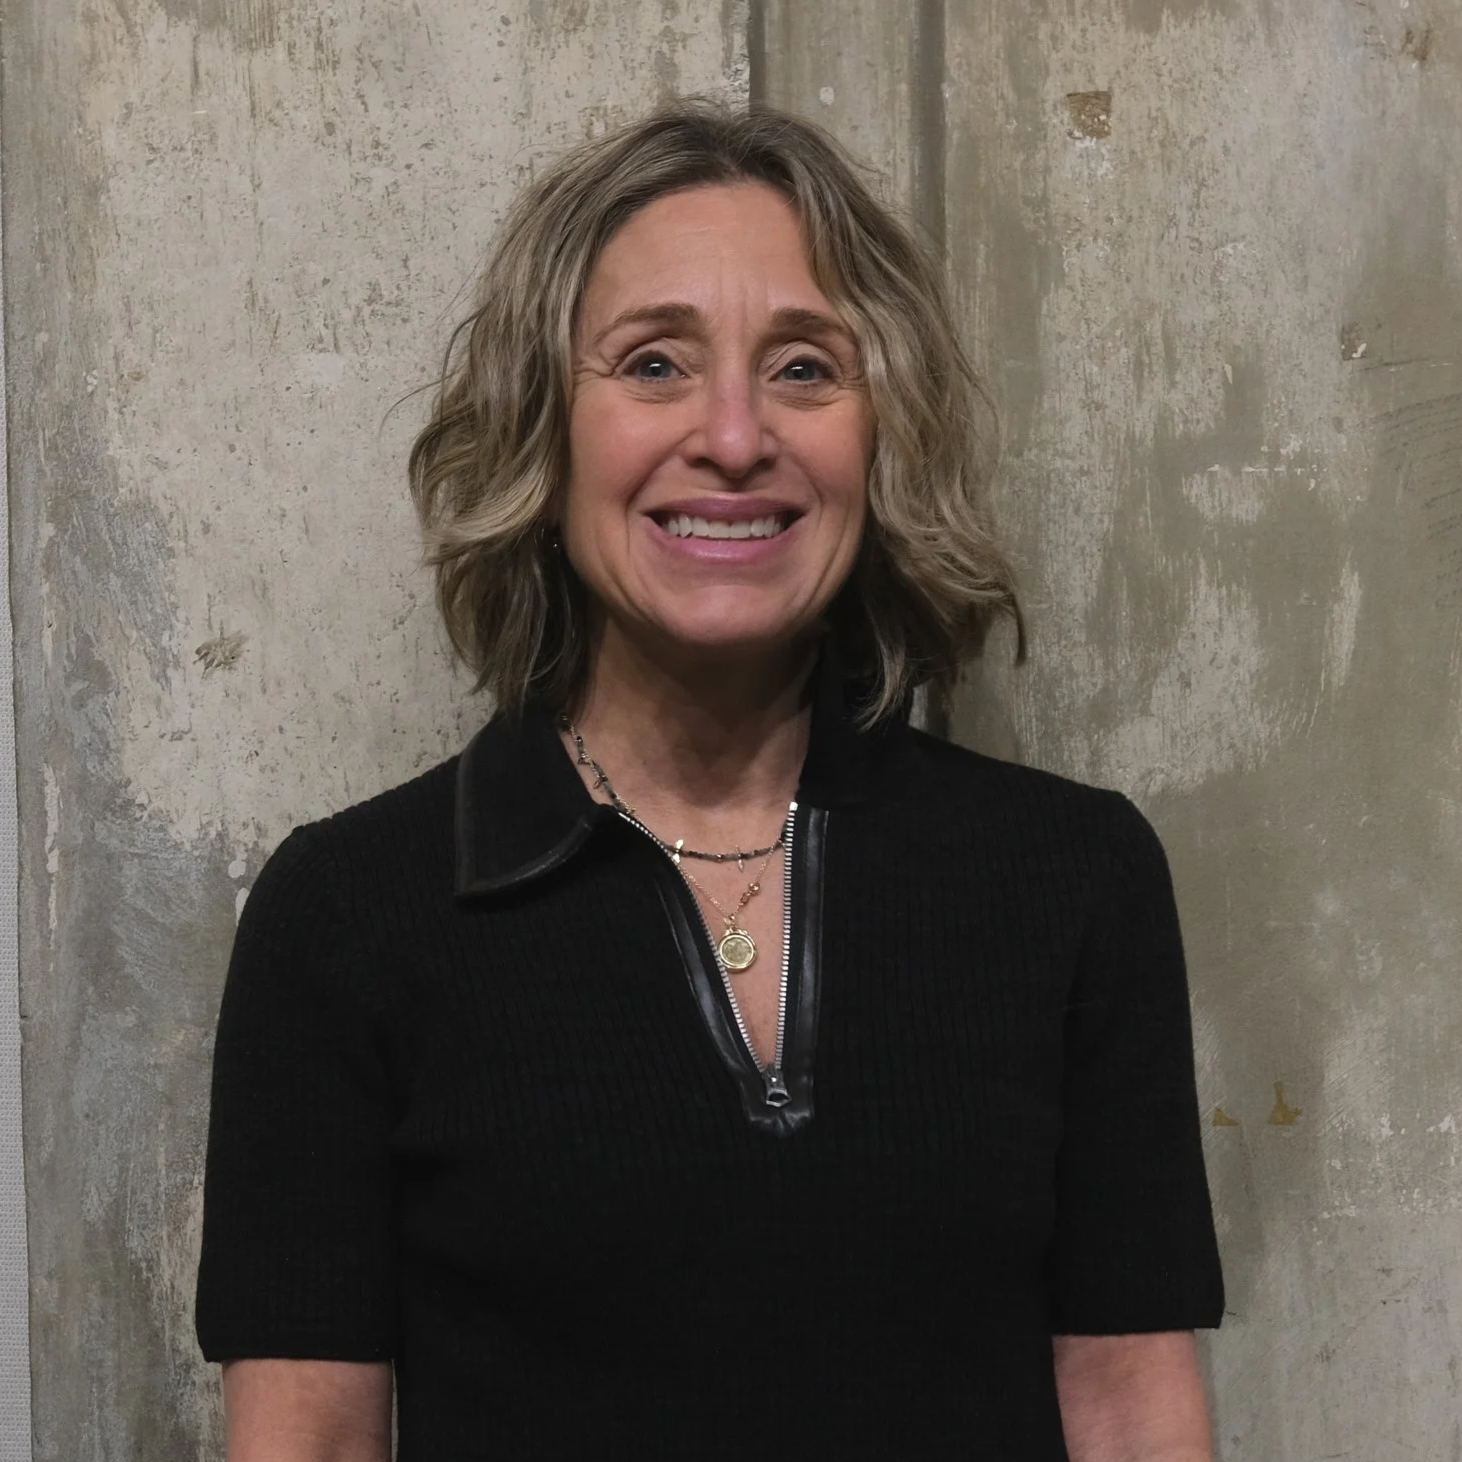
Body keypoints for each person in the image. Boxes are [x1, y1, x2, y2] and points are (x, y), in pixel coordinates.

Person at [195, 99, 1223, 1460]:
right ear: (544, 432)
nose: (734, 435)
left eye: (804, 367)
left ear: (882, 433)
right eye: (654, 364)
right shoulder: (350, 917)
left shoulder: (1070, 876)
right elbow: (308, 1443)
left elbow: (1127, 1402)